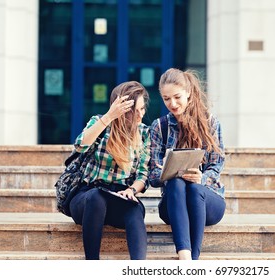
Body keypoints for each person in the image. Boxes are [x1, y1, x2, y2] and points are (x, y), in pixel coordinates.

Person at [149, 68, 226, 260]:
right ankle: (185, 257)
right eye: (167, 99)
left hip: (208, 201)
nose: (172, 104)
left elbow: (217, 164)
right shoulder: (160, 127)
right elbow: (152, 174)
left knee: (195, 189)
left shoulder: (210, 123)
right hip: (173, 203)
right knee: (176, 183)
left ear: (188, 92)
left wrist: (202, 177)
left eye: (177, 97)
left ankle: (193, 259)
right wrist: (168, 172)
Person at [69, 81, 150, 260]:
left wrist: (132, 190)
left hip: (119, 196)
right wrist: (109, 117)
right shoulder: (100, 123)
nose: (140, 116)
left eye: (142, 109)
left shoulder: (144, 133)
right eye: (134, 111)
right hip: (87, 197)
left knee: (135, 209)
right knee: (97, 197)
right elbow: (80, 145)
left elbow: (143, 174)